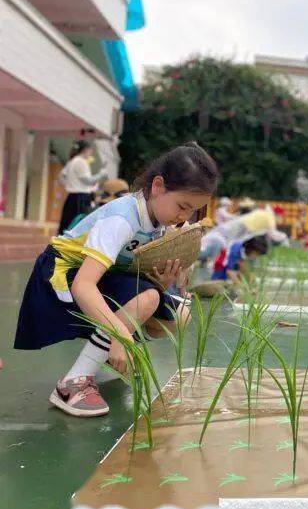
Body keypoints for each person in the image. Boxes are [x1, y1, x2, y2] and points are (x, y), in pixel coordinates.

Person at [14, 142, 219, 417]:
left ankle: (109, 348)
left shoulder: (159, 221)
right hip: (61, 275)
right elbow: (83, 285)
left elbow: (134, 278)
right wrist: (120, 335)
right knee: (147, 298)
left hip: (103, 276)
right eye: (182, 206)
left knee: (179, 315)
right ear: (158, 186)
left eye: (192, 211)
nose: (184, 217)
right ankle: (73, 384)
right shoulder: (122, 218)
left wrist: (162, 282)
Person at [57, 140, 107, 234]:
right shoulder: (81, 162)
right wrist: (101, 174)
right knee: (80, 224)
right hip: (81, 198)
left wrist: (70, 184)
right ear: (86, 150)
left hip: (72, 197)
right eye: (90, 152)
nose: (90, 154)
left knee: (67, 223)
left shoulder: (72, 161)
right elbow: (87, 181)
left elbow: (61, 178)